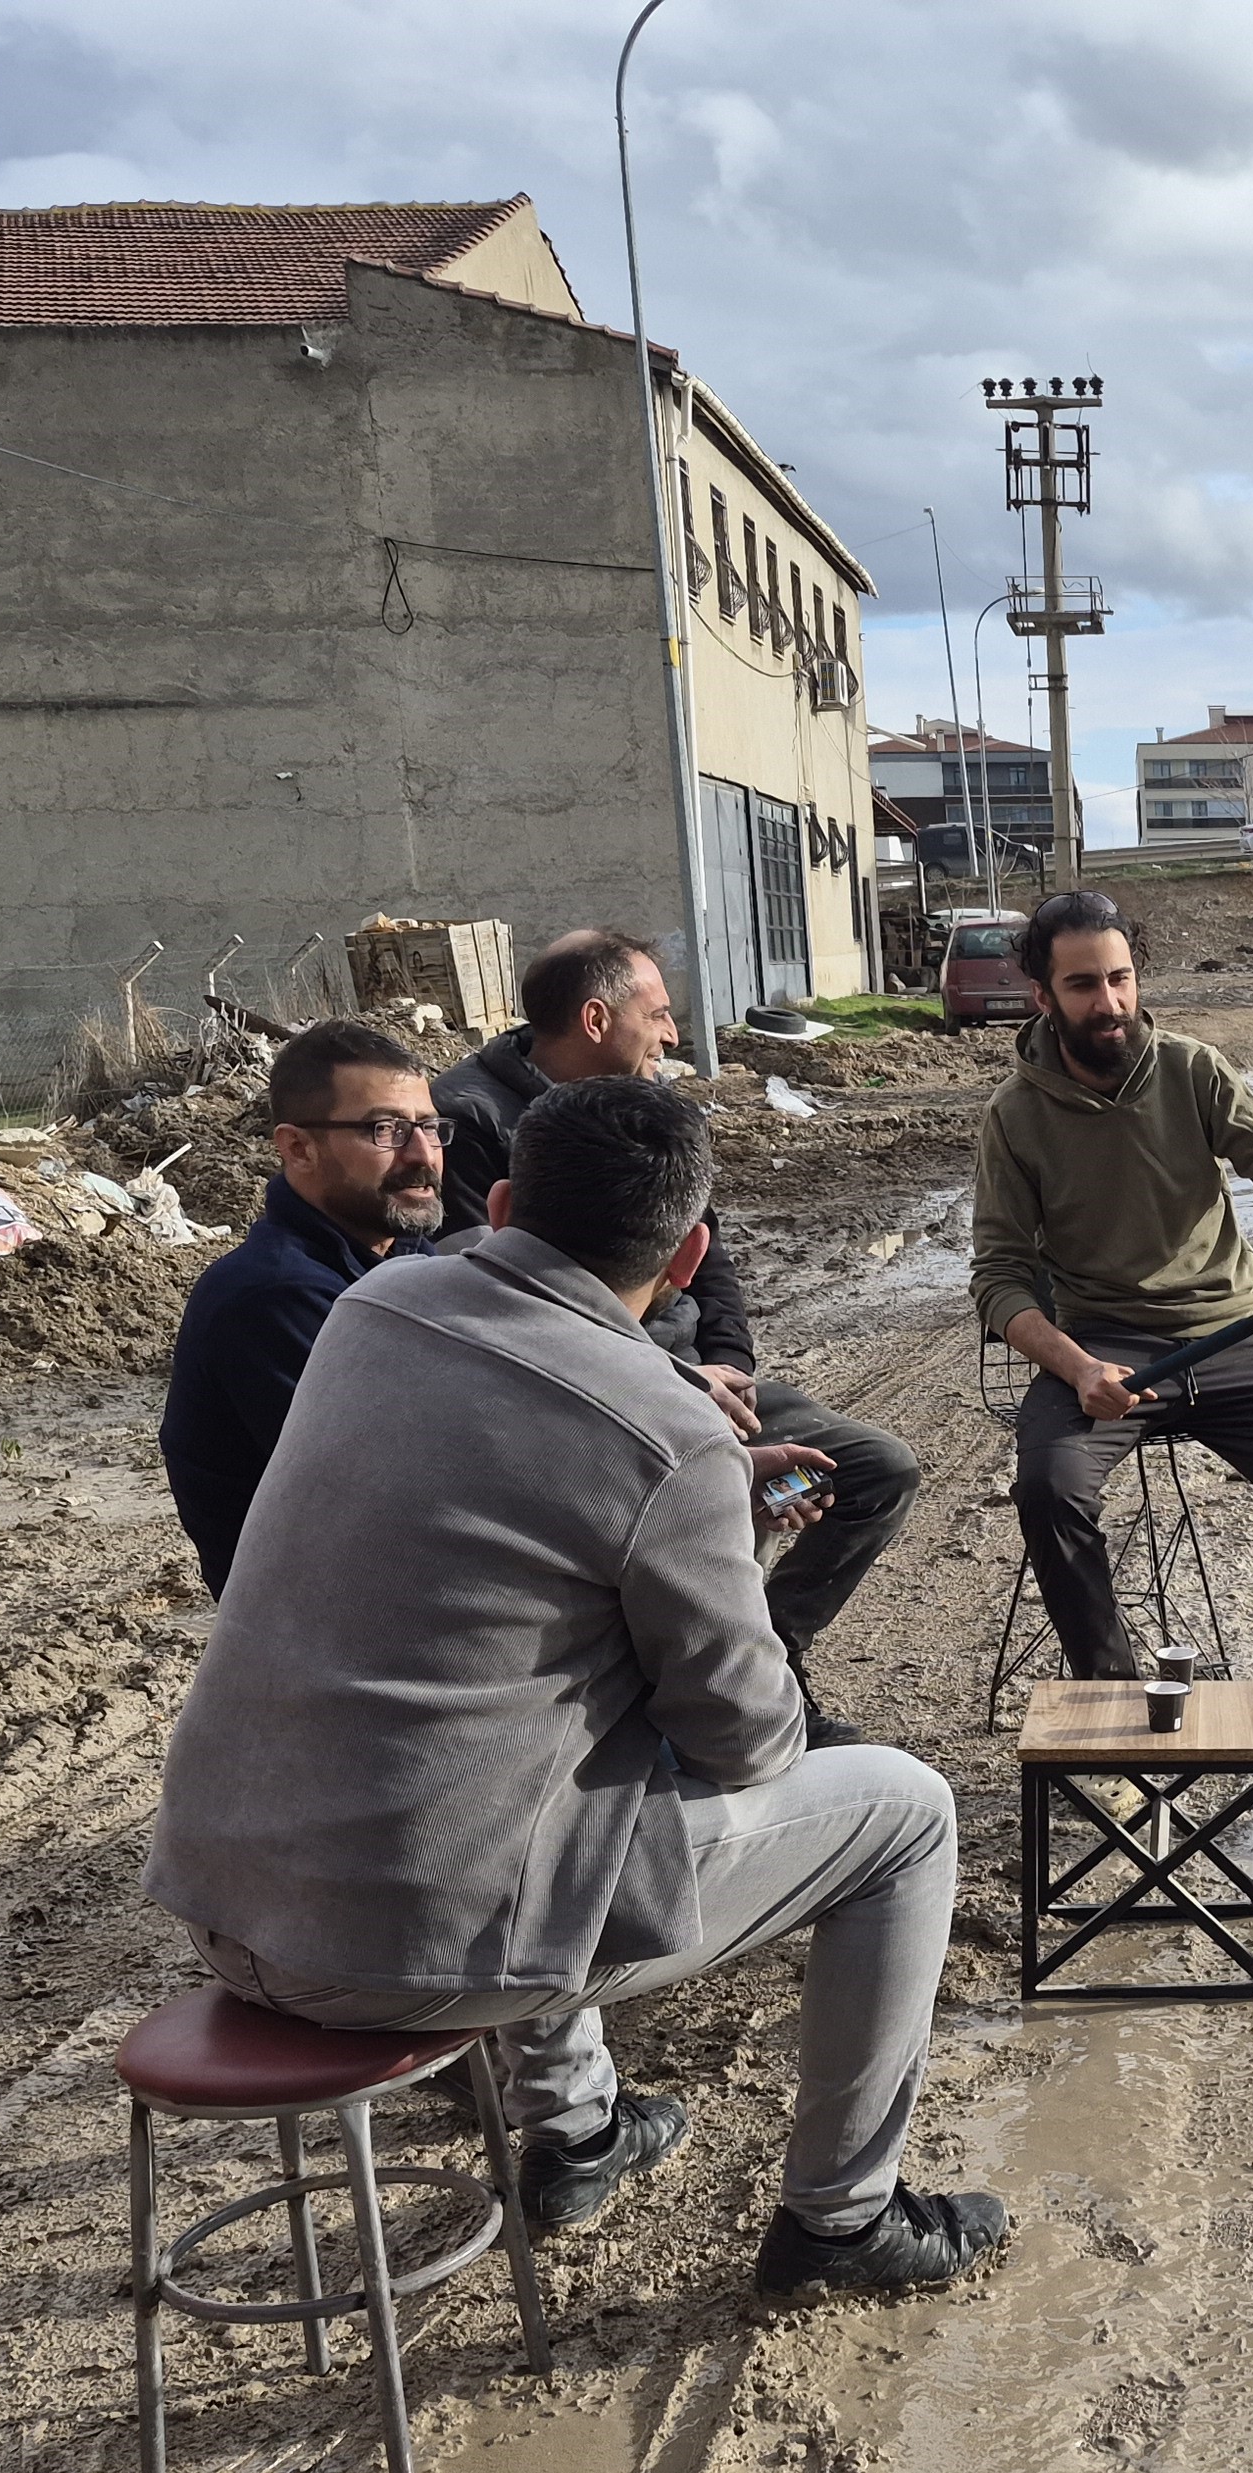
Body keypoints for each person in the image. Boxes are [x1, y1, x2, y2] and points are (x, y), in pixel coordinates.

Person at [147, 1074, 1007, 2294]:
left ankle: (581, 2130)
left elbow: (497, 1515)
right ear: (692, 1250)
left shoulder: (377, 1303)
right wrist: (719, 1529)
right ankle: (843, 2222)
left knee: (520, 1736)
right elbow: (747, 1741)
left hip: (224, 1896)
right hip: (402, 1960)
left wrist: (691, 1507)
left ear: (497, 1203)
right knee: (904, 1813)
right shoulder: (669, 1435)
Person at [973, 887, 1253, 1854]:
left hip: (1232, 1340)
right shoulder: (1014, 1117)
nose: (1111, 1002)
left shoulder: (1192, 1069)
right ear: (1042, 994)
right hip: (1101, 1348)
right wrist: (1076, 1365)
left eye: (1122, 978)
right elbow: (1001, 1276)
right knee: (1047, 1488)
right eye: (1085, 985)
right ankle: (1116, 1739)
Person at [437, 927, 920, 1748]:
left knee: (866, 1473)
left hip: (695, 1383)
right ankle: (706, 1695)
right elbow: (500, 1311)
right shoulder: (471, 1120)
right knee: (708, 1510)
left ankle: (762, 1658)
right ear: (596, 1019)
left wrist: (726, 1369)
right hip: (587, 1405)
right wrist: (680, 1390)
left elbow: (709, 1256)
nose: (671, 1036)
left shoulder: (656, 1109)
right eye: (659, 1016)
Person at [159, 1017, 450, 1594]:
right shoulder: (276, 1297)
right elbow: (404, 1488)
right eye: (386, 1130)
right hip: (336, 1636)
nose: (423, 1154)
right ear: (297, 1147)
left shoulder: (403, 1254)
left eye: (431, 1127)